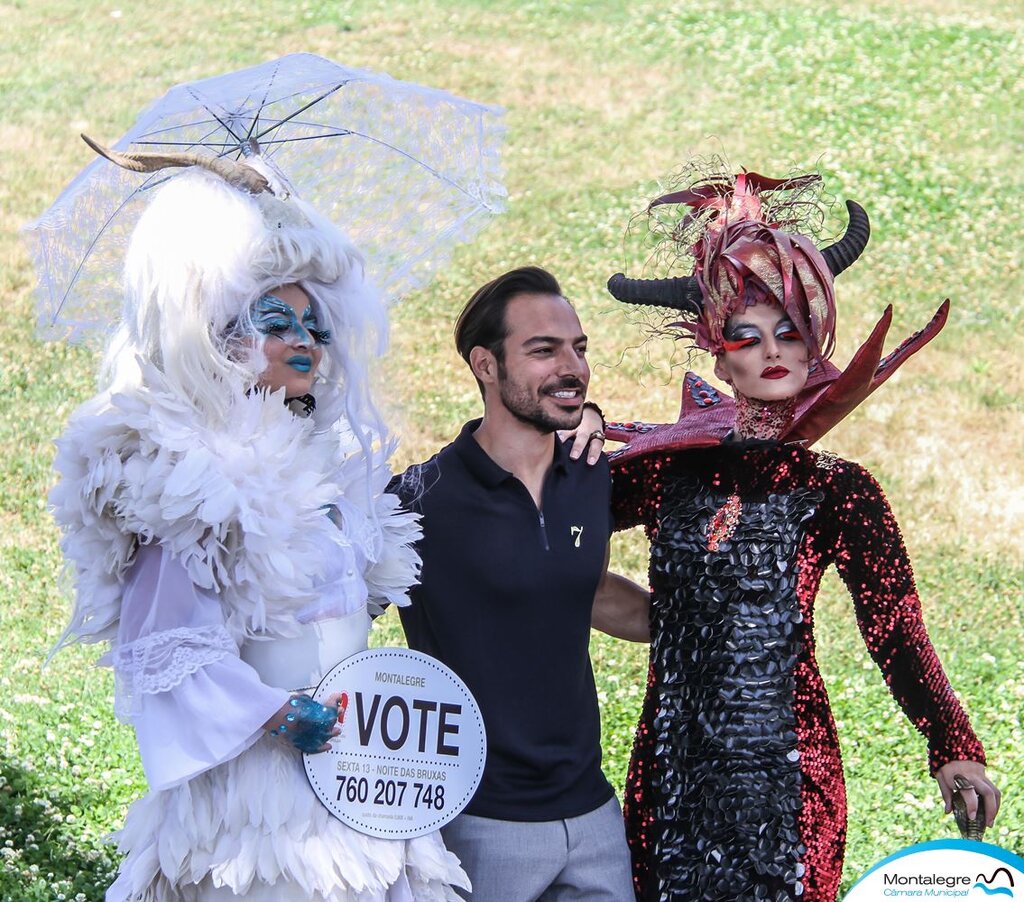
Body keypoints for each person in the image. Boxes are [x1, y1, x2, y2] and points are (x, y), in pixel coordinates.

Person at [49, 143, 468, 900]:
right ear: (221, 331)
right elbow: (164, 647)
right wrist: (278, 713)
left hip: (361, 774)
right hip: (260, 796)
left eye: (316, 326)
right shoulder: (187, 479)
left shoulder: (333, 464)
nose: (306, 341)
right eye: (279, 321)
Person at [604, 168, 1000, 901]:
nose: (771, 351)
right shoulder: (666, 474)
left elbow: (895, 628)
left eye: (790, 330)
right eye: (746, 337)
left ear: (817, 336)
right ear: (718, 355)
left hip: (790, 781)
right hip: (674, 769)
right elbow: (550, 535)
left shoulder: (839, 491)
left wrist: (952, 746)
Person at [389, 266, 647, 901]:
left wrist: (722, 623)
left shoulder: (590, 473)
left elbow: (583, 588)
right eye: (543, 350)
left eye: (578, 348)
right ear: (485, 365)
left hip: (592, 816)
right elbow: (328, 620)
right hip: (478, 823)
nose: (572, 366)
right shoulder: (420, 502)